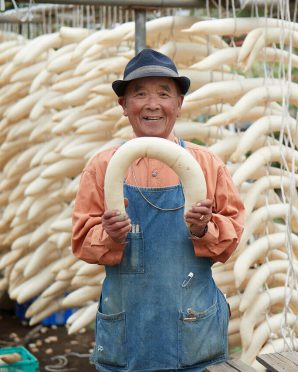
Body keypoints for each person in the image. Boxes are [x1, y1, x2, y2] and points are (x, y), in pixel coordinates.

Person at [72, 48, 245, 371]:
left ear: (179, 104)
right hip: (127, 332)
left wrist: (202, 228)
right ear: (124, 106)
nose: (152, 104)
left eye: (164, 94)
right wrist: (109, 235)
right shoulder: (103, 167)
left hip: (194, 327)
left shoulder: (206, 165)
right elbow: (82, 241)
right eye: (140, 94)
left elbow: (232, 237)